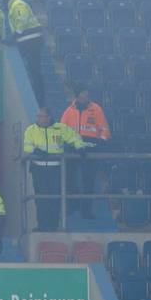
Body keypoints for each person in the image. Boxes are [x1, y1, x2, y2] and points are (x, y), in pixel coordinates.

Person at [23, 106, 85, 231]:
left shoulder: (60, 128)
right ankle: (42, 226)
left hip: (56, 169)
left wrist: (79, 147)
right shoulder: (31, 130)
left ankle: (53, 226)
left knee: (55, 198)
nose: (39, 118)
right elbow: (26, 146)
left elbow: (74, 137)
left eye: (42, 116)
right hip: (38, 169)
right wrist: (35, 150)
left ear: (49, 117)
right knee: (41, 199)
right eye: (38, 116)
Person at [60, 87, 110, 218]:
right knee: (70, 180)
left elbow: (104, 129)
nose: (86, 97)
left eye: (87, 95)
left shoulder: (96, 109)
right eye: (83, 95)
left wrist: (100, 144)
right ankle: (73, 205)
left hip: (90, 148)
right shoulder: (69, 111)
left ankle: (86, 210)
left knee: (88, 181)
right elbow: (61, 130)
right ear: (77, 96)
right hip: (73, 149)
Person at [3, 0, 44, 102]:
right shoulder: (15, 5)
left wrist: (15, 35)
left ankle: (39, 96)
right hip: (29, 42)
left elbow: (21, 21)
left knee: (35, 71)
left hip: (31, 41)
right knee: (32, 70)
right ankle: (36, 93)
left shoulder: (17, 5)